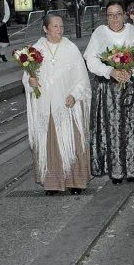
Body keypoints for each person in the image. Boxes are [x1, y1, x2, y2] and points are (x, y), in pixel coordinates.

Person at [84, 1, 134, 184]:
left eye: (118, 14)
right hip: (109, 89)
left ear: (124, 15)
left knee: (132, 127)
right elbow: (90, 60)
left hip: (132, 87)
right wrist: (111, 71)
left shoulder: (133, 31)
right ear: (106, 16)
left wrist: (131, 71)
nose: (115, 18)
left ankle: (132, 168)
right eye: (110, 14)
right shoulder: (99, 33)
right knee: (113, 128)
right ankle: (115, 170)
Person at [23, 14, 91, 195]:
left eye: (61, 26)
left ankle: (76, 182)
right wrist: (30, 82)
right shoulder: (35, 51)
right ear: (46, 29)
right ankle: (52, 184)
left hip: (68, 106)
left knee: (73, 143)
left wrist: (75, 95)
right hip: (46, 106)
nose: (59, 29)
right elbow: (27, 78)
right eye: (55, 26)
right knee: (49, 144)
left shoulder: (71, 49)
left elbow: (82, 79)